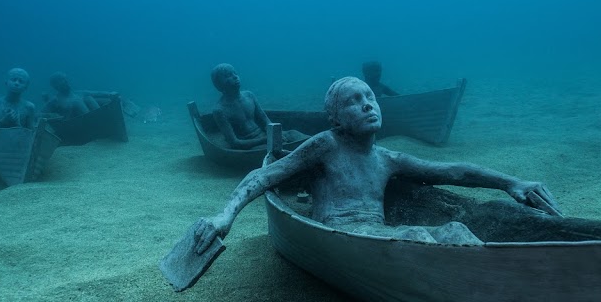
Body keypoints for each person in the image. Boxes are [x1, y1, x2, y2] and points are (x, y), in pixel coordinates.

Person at [193, 76, 560, 254]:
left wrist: (513, 182)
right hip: (338, 233)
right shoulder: (325, 144)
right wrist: (225, 216)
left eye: (370, 97)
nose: (369, 104)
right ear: (335, 119)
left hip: (377, 234)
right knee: (426, 235)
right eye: (354, 101)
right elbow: (266, 174)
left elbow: (453, 171)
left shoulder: (387, 159)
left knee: (455, 230)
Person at [210, 63, 304, 149]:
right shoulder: (220, 110)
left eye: (235, 73)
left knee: (293, 134)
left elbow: (265, 120)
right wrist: (264, 140)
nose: (235, 77)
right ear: (219, 84)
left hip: (264, 135)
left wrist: (275, 135)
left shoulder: (249, 95)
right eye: (228, 76)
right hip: (250, 144)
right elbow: (234, 143)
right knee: (274, 149)